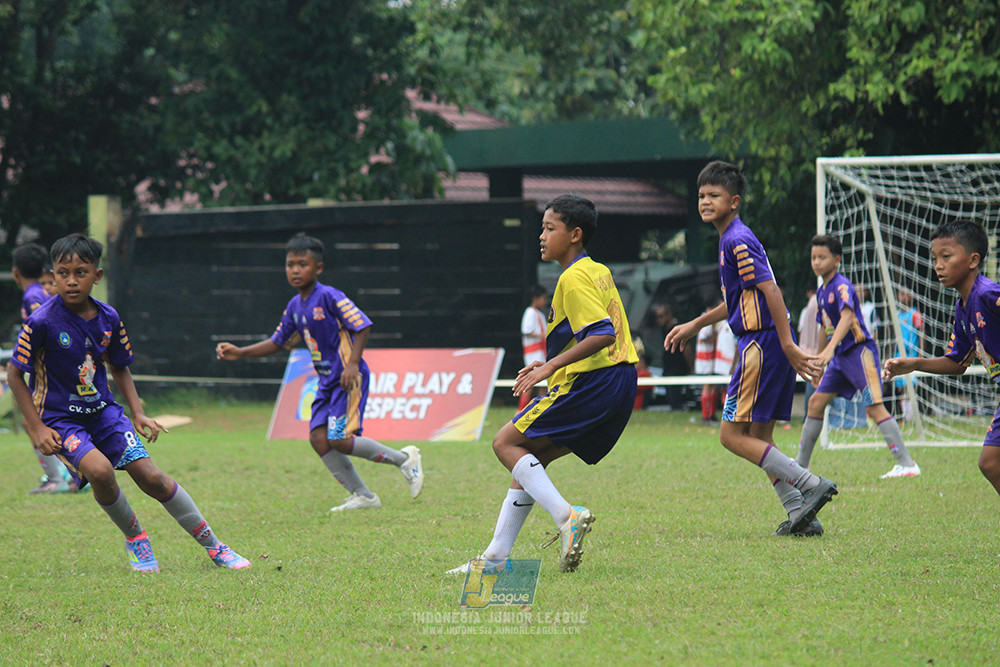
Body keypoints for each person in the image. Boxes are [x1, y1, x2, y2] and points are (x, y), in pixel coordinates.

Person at [6, 233, 250, 572]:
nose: (71, 280)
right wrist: (36, 428)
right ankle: (137, 539)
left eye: (81, 272)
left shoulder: (109, 318)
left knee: (153, 478)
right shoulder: (42, 322)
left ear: (98, 275)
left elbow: (118, 365)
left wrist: (137, 413)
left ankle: (216, 547)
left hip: (105, 414)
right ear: (54, 274)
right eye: (63, 273)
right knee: (101, 472)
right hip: (63, 420)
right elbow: (14, 374)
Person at [448, 194, 638, 574]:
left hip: (595, 381)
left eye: (550, 228)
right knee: (532, 461)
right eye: (542, 227)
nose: (542, 235)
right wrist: (553, 361)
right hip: (618, 381)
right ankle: (496, 559)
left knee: (505, 443)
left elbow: (601, 334)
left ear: (575, 234)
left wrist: (549, 367)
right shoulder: (596, 270)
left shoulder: (572, 277)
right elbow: (598, 331)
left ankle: (567, 516)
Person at [664, 161, 836, 536]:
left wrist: (788, 343)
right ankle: (800, 514)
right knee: (760, 437)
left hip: (761, 342)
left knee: (730, 436)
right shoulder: (731, 238)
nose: (705, 202)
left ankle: (809, 484)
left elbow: (770, 290)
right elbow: (741, 298)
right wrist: (696, 324)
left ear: (734, 201)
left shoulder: (735, 239)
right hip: (764, 342)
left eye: (714, 195)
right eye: (701, 196)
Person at [216, 233, 423, 512]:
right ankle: (364, 496)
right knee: (318, 438)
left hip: (348, 378)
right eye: (290, 264)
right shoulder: (295, 306)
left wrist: (351, 364)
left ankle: (404, 459)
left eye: (303, 264)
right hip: (326, 381)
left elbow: (361, 326)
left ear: (319, 268)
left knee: (340, 438)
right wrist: (241, 352)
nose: (295, 270)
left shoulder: (329, 296)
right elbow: (279, 342)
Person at [884, 221, 1000, 501]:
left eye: (946, 257)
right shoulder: (963, 308)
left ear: (973, 260)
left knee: (991, 461)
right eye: (935, 258)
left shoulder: (987, 294)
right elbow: (957, 364)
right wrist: (913, 364)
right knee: (989, 462)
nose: (938, 265)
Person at [796, 235, 920, 479]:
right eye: (813, 257)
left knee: (874, 408)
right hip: (840, 359)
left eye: (822, 257)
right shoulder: (821, 292)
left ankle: (907, 464)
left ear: (837, 260)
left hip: (859, 353)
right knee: (815, 403)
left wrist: (830, 349)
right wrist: (821, 361)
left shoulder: (842, 285)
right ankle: (801, 465)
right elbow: (824, 326)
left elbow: (846, 317)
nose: (817, 262)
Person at [11, 242, 73, 494]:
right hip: (48, 367)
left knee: (33, 422)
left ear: (16, 272)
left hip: (46, 370)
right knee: (35, 423)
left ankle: (59, 478)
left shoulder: (33, 296)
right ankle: (66, 475)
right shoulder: (39, 292)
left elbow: (45, 326)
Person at [892, 287, 923, 421]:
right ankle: (905, 415)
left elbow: (922, 332)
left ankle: (911, 416)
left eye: (906, 294)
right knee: (900, 387)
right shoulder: (897, 314)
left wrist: (921, 351)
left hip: (912, 353)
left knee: (909, 385)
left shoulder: (915, 314)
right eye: (901, 294)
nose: (903, 297)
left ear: (911, 297)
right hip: (899, 353)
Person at [518, 285, 549, 411]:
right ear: (535, 298)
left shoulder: (539, 314)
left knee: (543, 382)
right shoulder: (530, 313)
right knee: (530, 381)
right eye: (543, 298)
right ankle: (521, 409)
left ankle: (542, 409)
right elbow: (526, 331)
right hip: (533, 352)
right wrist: (543, 335)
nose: (545, 302)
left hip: (541, 352)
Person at [694, 296, 722, 424]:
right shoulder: (705, 321)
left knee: (713, 386)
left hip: (710, 358)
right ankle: (705, 416)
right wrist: (715, 338)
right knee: (707, 386)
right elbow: (704, 339)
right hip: (704, 359)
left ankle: (711, 414)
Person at [797, 287, 819, 422]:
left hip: (811, 353)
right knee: (813, 385)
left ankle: (808, 417)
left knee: (814, 386)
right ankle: (809, 417)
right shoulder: (815, 303)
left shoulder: (811, 304)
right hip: (814, 353)